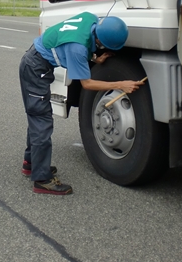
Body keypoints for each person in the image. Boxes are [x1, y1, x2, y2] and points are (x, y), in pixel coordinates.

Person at [19, 12, 143, 195]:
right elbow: (87, 83)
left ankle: (31, 163)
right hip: (35, 68)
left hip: (37, 62)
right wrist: (121, 85)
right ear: (100, 41)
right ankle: (41, 180)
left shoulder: (90, 18)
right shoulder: (76, 49)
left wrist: (94, 58)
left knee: (38, 117)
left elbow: (84, 42)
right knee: (41, 121)